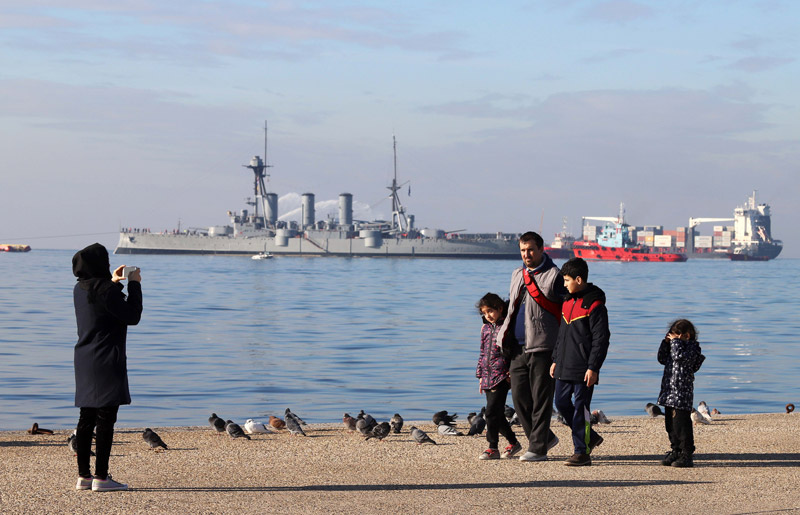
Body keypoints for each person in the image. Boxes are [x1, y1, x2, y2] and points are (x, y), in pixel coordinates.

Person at [71, 243, 142, 492]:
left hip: (84, 359)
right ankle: (101, 477)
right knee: (106, 419)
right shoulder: (104, 290)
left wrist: (114, 283)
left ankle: (84, 476)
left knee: (86, 417)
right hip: (107, 358)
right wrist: (134, 283)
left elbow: (102, 303)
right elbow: (132, 316)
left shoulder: (79, 289)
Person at [496, 231, 566, 462]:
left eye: (531, 250)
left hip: (543, 346)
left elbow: (564, 312)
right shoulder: (517, 273)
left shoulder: (554, 275)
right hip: (516, 347)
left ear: (541, 249)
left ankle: (538, 449)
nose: (527, 254)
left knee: (541, 399)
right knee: (519, 399)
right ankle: (545, 438)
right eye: (523, 250)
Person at [550, 257, 610, 466]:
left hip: (584, 368)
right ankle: (590, 437)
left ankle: (582, 452)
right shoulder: (567, 301)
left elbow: (601, 340)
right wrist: (555, 359)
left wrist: (594, 367)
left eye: (566, 280)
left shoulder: (595, 305)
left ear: (578, 279)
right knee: (561, 404)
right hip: (564, 364)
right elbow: (561, 335)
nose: (564, 284)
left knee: (581, 409)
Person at [475, 293, 522, 460]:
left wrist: (511, 370)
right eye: (484, 313)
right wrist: (480, 375)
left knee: (490, 412)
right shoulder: (485, 328)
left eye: (490, 311)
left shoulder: (507, 327)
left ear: (500, 309)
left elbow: (514, 351)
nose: (488, 315)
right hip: (487, 375)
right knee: (497, 413)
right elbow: (482, 353)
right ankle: (513, 442)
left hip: (502, 375)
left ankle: (492, 447)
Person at [657, 319, 704, 468]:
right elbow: (662, 359)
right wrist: (665, 343)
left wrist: (676, 343)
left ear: (687, 336)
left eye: (675, 336)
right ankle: (675, 449)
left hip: (682, 393)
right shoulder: (674, 346)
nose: (672, 340)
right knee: (670, 426)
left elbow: (680, 357)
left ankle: (686, 453)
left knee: (682, 425)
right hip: (669, 392)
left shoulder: (692, 349)